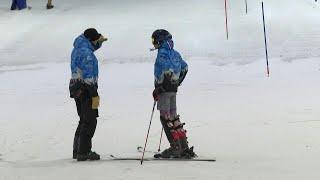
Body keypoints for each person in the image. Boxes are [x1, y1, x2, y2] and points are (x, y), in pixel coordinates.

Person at [151, 29, 196, 159]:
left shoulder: (162, 54)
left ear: (160, 41)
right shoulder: (175, 53)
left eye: (154, 41)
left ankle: (175, 147)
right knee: (173, 116)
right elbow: (185, 67)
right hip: (173, 89)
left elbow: (162, 71)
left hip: (164, 90)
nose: (153, 44)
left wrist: (159, 87)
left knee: (165, 117)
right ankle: (183, 145)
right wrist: (177, 82)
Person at [69, 28, 107, 161]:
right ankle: (83, 152)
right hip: (86, 89)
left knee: (83, 119)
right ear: (91, 41)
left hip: (76, 87)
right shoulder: (86, 54)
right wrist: (94, 93)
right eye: (97, 41)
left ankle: (77, 150)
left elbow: (91, 47)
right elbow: (89, 75)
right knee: (90, 120)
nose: (98, 43)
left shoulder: (78, 48)